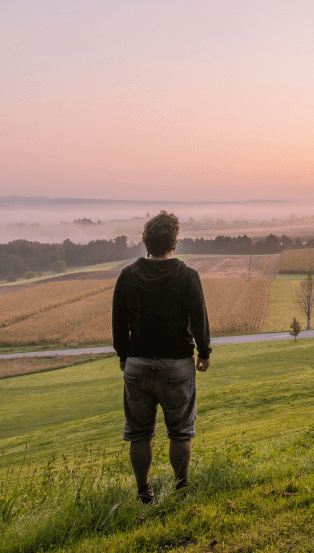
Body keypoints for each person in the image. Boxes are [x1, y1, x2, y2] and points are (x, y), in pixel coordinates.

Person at [112, 211, 211, 503]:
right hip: (177, 365)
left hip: (137, 364)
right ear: (174, 242)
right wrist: (204, 353)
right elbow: (199, 320)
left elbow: (119, 323)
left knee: (139, 433)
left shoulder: (128, 275)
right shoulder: (187, 276)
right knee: (180, 432)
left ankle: (145, 492)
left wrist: (122, 356)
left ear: (146, 242)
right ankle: (181, 489)